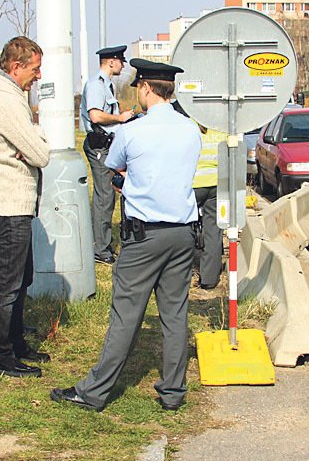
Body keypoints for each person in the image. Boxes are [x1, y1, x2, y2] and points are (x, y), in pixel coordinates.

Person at [51, 59, 201, 411]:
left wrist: (129, 182)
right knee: (175, 314)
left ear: (145, 88)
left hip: (144, 236)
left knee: (126, 314)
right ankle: (173, 392)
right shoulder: (190, 128)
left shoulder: (133, 131)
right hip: (182, 234)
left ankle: (94, 392)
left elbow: (113, 165)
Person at [0, 36, 51, 378]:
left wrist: (32, 143)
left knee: (16, 280)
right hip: (8, 205)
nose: (38, 75)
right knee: (6, 284)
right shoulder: (5, 100)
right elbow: (42, 153)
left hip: (9, 202)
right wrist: (33, 143)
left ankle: (15, 343)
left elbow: (33, 147)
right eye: (34, 68)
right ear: (16, 67)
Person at [79, 45, 135, 265]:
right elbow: (95, 116)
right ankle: (100, 249)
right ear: (111, 62)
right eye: (121, 61)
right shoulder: (96, 85)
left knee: (113, 192)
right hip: (99, 145)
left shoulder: (108, 85)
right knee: (105, 196)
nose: (123, 64)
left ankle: (106, 243)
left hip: (109, 144)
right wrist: (120, 118)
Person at [192, 123, 228, 290]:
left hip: (193, 184)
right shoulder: (222, 127)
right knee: (214, 230)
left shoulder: (189, 125)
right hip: (217, 185)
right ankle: (209, 279)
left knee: (184, 228)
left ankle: (185, 272)